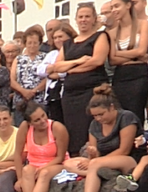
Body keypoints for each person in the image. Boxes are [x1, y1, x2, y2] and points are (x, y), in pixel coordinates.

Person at [62, 85, 140, 192]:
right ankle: (98, 173)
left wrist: (96, 161)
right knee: (69, 163)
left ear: (111, 107)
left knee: (95, 164)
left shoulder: (126, 117)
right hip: (102, 162)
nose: (98, 119)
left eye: (101, 114)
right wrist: (92, 156)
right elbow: (95, 152)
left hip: (128, 160)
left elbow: (124, 150)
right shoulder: (94, 125)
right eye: (95, 116)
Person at [49, 4, 111, 158]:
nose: (84, 20)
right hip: (70, 94)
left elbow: (97, 61)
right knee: (73, 127)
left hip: (92, 90)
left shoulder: (100, 36)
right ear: (76, 19)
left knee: (90, 125)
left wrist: (69, 68)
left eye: (87, 16)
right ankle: (75, 159)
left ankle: (92, 157)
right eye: (81, 17)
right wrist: (80, 61)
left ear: (94, 19)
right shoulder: (68, 43)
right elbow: (57, 66)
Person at [13, 102, 70, 192]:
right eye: (37, 120)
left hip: (56, 163)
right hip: (34, 164)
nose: (43, 121)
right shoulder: (25, 127)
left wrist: (44, 167)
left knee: (44, 174)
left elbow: (60, 157)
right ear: (30, 123)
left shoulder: (57, 127)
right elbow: (17, 154)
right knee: (27, 170)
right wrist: (19, 178)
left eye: (43, 116)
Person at [108, 0, 148, 122]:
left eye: (117, 6)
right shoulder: (111, 33)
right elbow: (112, 59)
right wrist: (135, 56)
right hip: (120, 76)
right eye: (112, 7)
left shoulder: (142, 24)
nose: (113, 10)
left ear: (127, 5)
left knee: (136, 112)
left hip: (138, 74)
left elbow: (142, 50)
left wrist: (118, 54)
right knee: (121, 114)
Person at [37, 23, 77, 123]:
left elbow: (67, 72)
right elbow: (40, 70)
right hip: (53, 95)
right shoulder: (52, 54)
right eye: (55, 38)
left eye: (60, 37)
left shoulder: (75, 51)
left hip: (70, 94)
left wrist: (54, 72)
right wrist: (55, 68)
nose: (58, 40)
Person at [11, 26, 47, 126]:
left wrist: (34, 91)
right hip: (21, 101)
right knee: (20, 128)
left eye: (35, 43)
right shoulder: (18, 59)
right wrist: (23, 91)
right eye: (29, 43)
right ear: (25, 43)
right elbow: (12, 80)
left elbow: (47, 78)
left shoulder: (45, 57)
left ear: (40, 43)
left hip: (39, 100)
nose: (32, 45)